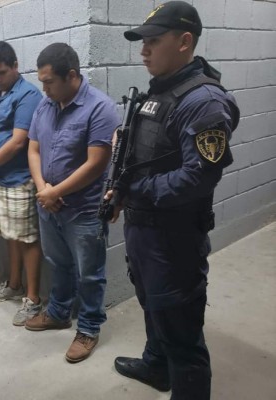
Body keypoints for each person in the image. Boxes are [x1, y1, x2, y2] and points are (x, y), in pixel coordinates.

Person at [107, 2, 240, 398]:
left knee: (182, 333)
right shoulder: (159, 91)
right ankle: (156, 365)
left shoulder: (204, 101)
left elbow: (198, 178)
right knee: (152, 304)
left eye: (153, 41)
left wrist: (135, 190)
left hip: (174, 239)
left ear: (184, 42)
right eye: (142, 42)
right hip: (145, 232)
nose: (143, 50)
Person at [25, 43, 118, 363]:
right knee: (58, 263)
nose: (44, 89)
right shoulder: (45, 105)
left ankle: (89, 328)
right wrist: (44, 189)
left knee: (90, 273)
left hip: (84, 211)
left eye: (49, 82)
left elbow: (96, 163)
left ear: (72, 76)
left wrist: (55, 192)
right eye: (42, 82)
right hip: (48, 205)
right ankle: (58, 313)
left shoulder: (100, 108)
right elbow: (33, 149)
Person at [0, 41, 43, 326]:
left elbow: (17, 142)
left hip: (19, 180)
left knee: (27, 239)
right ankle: (14, 284)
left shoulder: (28, 95)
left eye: (1, 73)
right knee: (9, 235)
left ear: (15, 66)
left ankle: (33, 299)